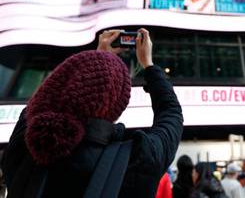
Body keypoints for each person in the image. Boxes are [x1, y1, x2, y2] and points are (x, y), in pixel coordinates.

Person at [1, 29, 184, 198]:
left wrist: (97, 58)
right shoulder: (139, 159)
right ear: (117, 104)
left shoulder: (25, 147)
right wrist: (149, 66)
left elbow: (41, 102)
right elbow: (171, 114)